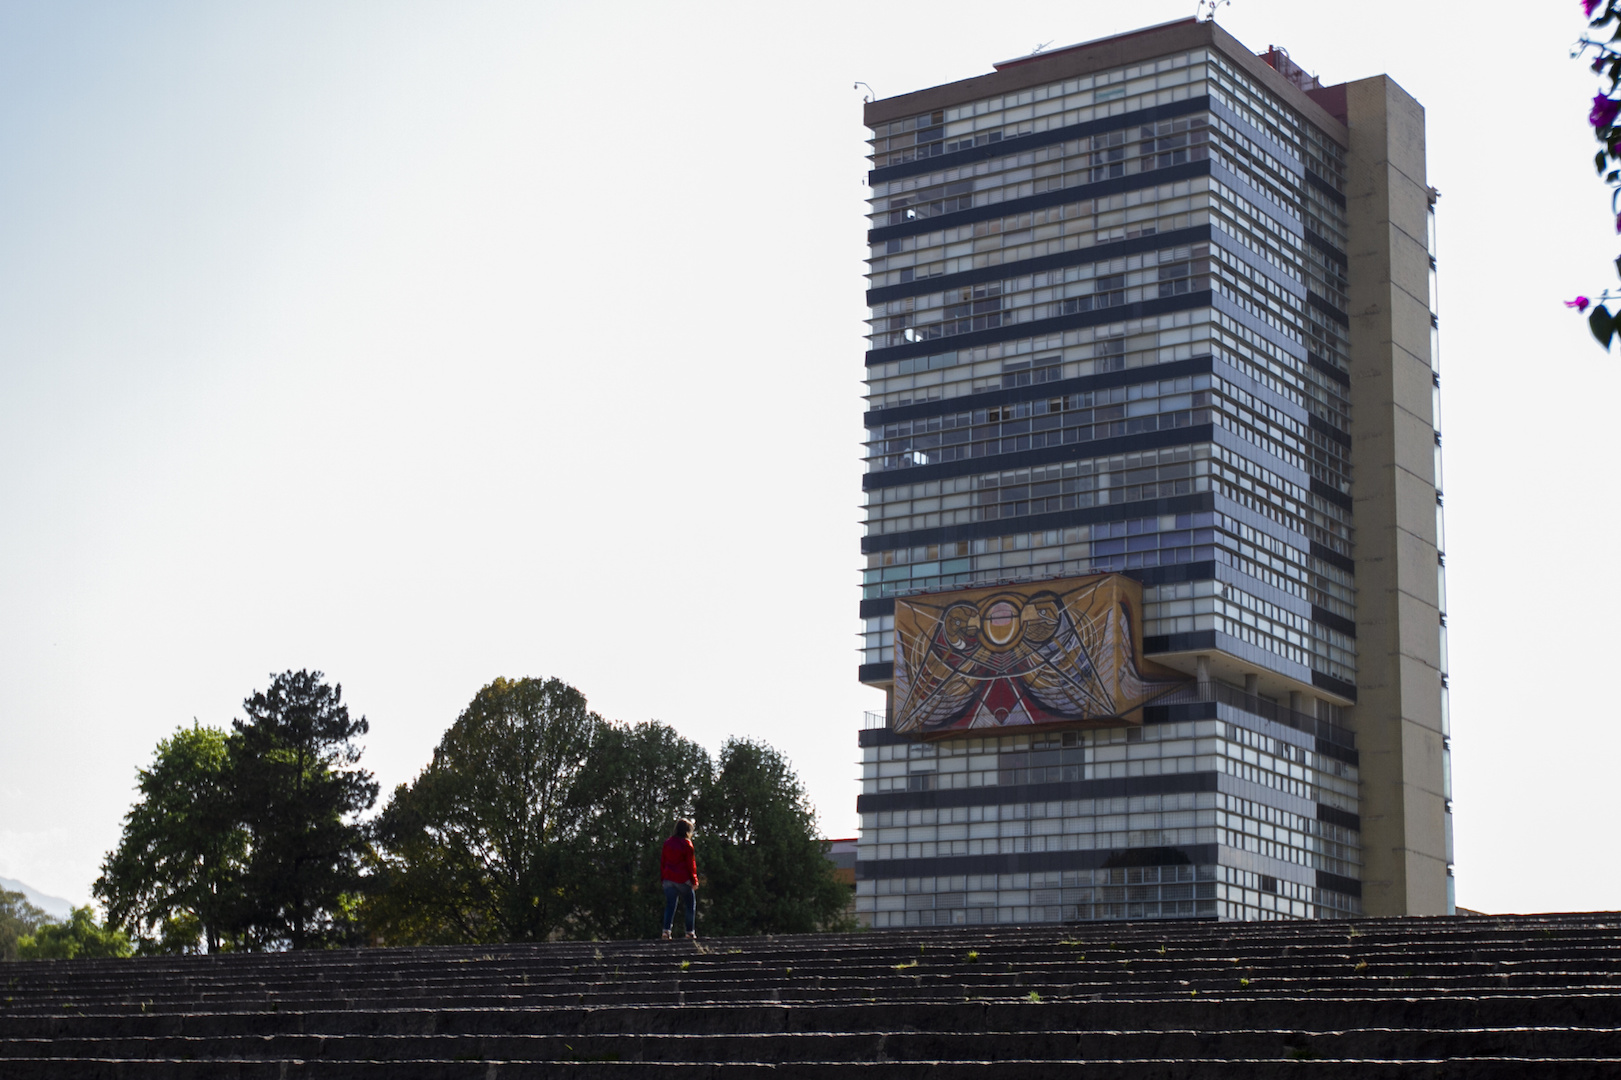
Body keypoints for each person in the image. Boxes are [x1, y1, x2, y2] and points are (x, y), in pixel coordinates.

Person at [660, 819, 699, 940]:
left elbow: (663, 862)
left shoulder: (667, 843)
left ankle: (666, 931)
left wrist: (663, 878)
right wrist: (694, 880)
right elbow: (690, 864)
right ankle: (689, 932)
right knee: (690, 906)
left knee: (670, 905)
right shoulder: (687, 844)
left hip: (668, 879)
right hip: (682, 879)